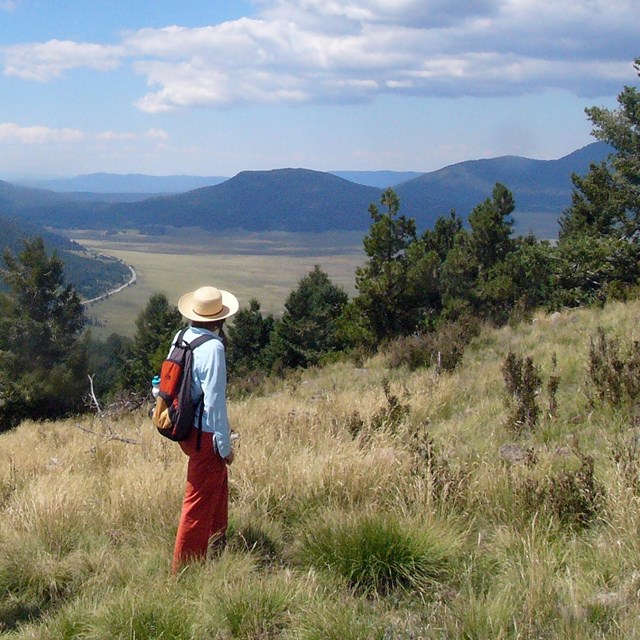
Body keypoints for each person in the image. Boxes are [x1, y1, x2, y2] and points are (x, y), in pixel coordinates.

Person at [170, 285, 239, 574]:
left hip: (184, 428)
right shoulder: (213, 348)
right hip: (205, 435)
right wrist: (225, 446)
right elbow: (215, 402)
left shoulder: (182, 336)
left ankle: (217, 539)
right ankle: (185, 569)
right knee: (196, 500)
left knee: (217, 483)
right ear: (220, 319)